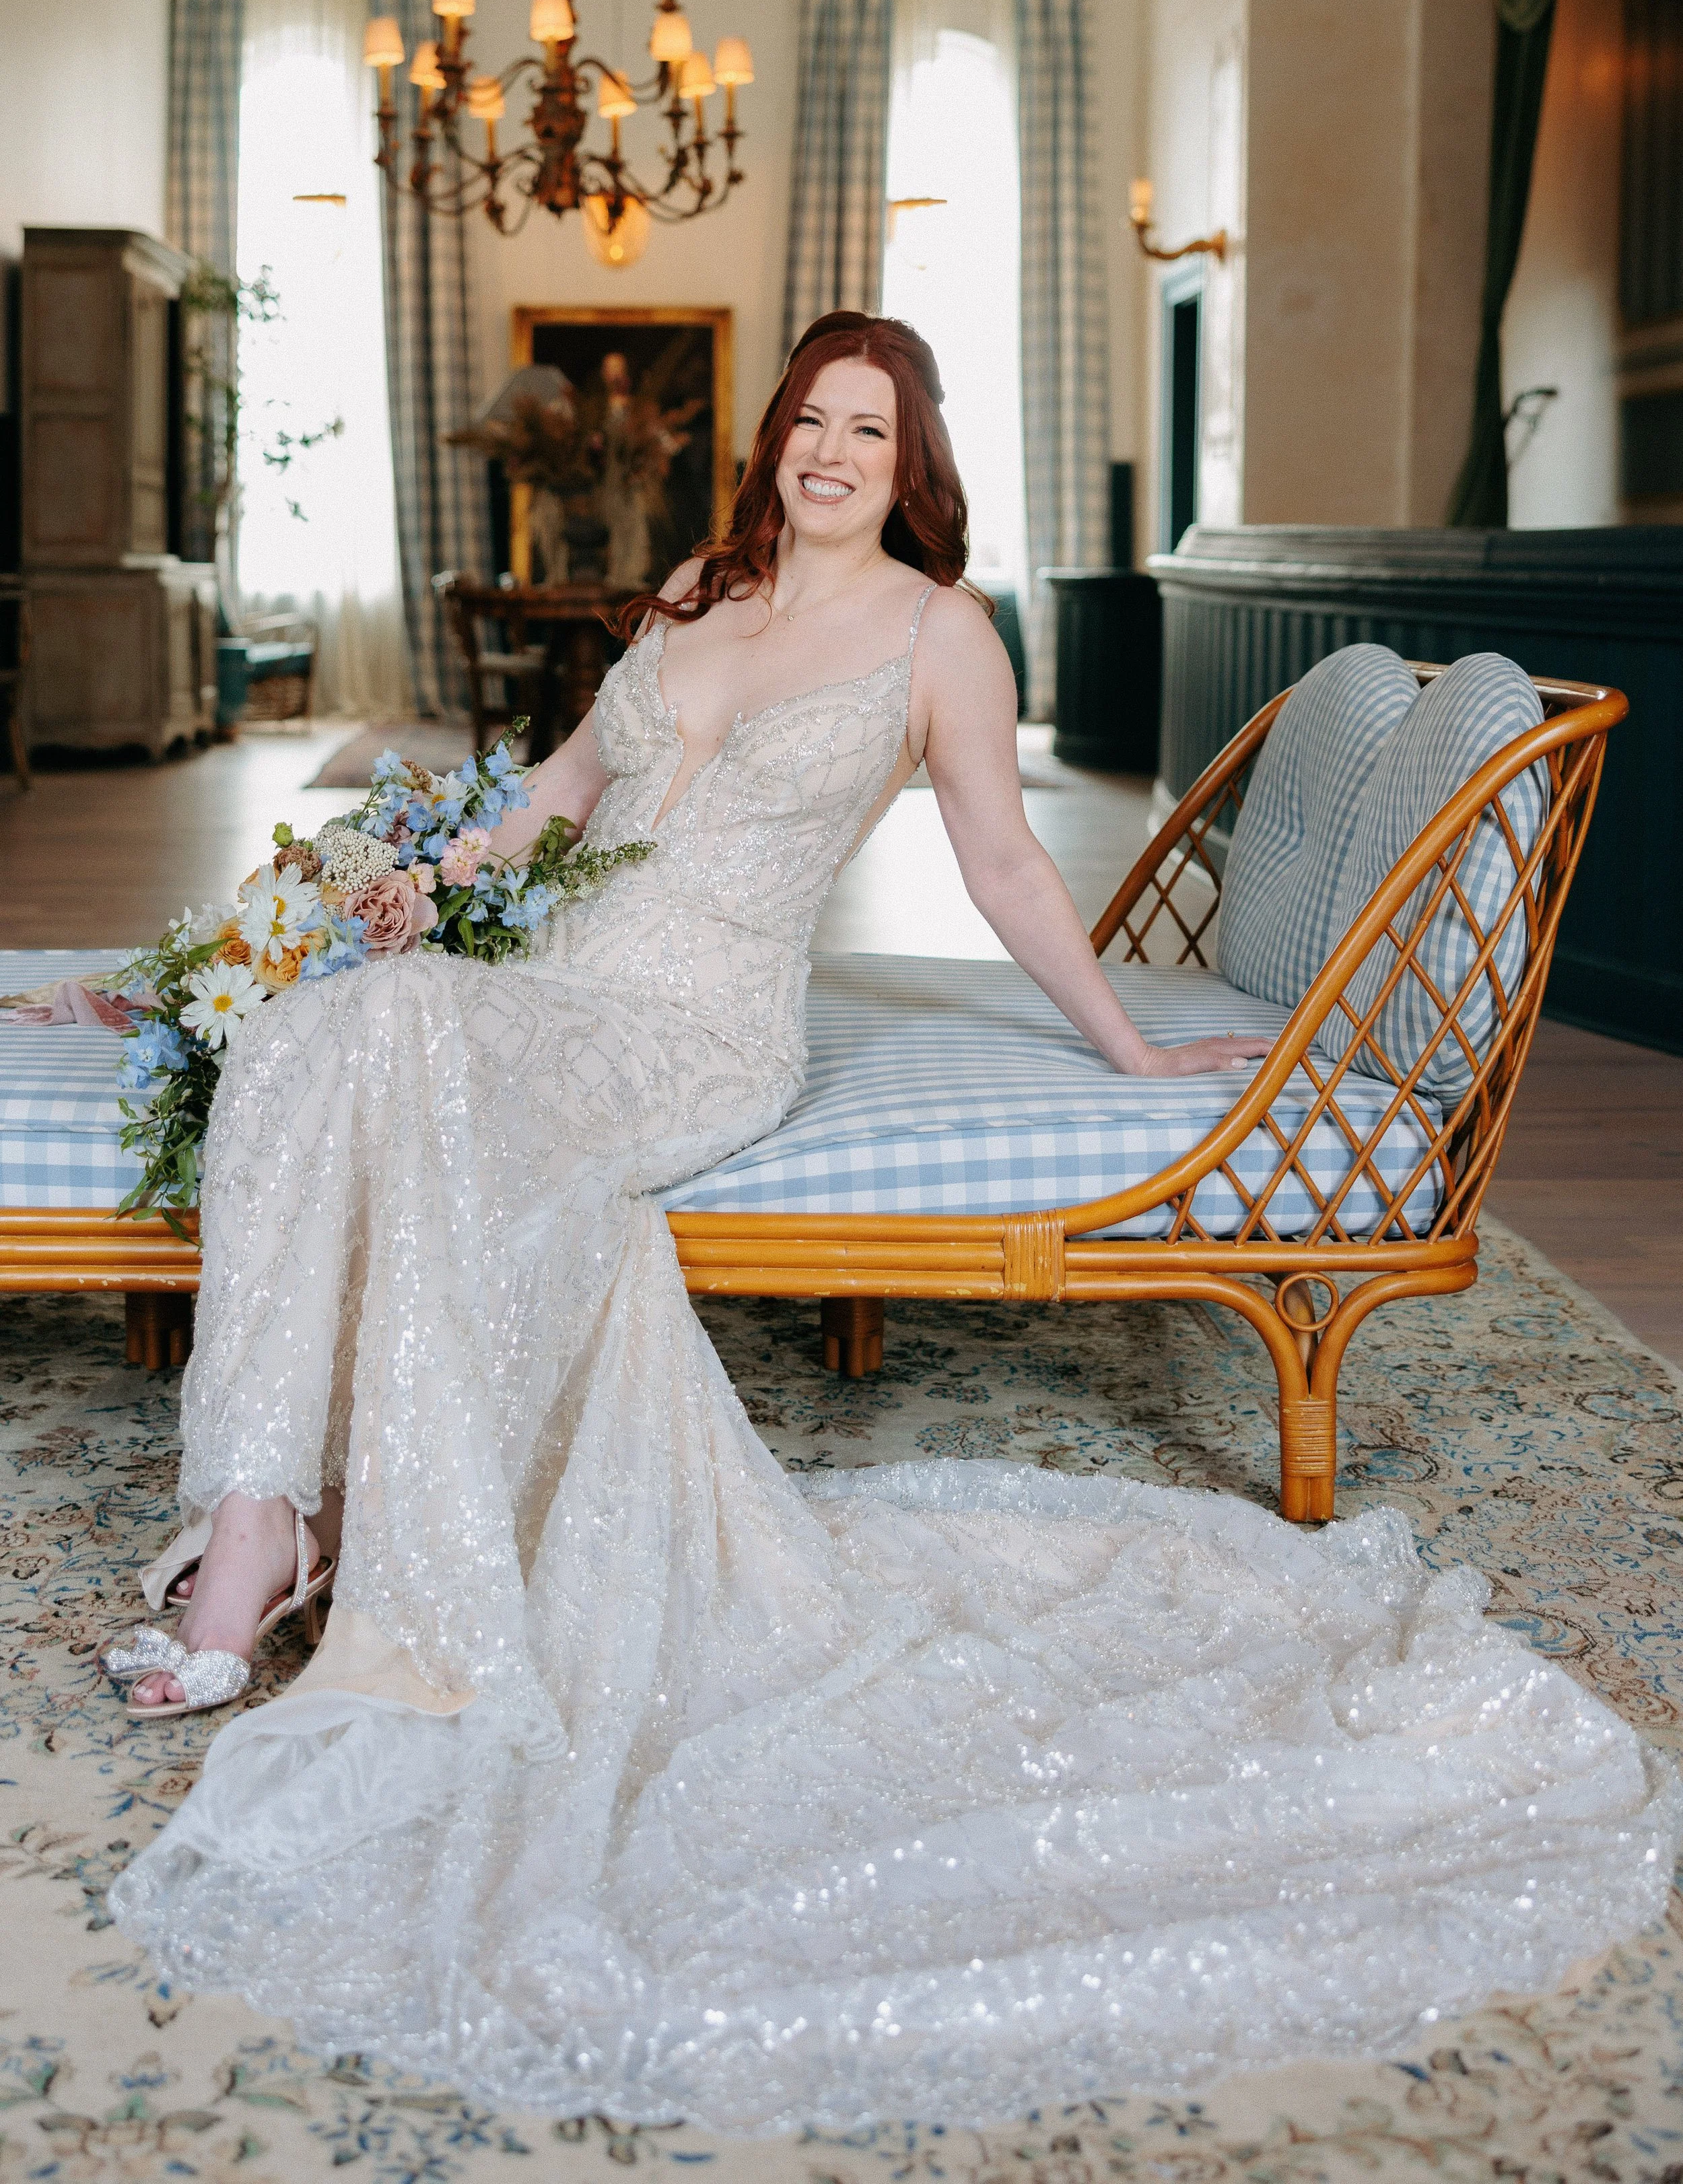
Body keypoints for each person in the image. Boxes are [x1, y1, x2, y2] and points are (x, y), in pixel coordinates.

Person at [105, 314, 1676, 2134]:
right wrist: (414, 881)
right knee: (322, 1028)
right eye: (810, 421)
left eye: (869, 428)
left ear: (909, 457)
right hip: (544, 971)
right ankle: (265, 1507)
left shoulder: (941, 631)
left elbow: (1006, 860)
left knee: (386, 1047)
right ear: (772, 440)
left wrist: (1130, 1041)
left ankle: (261, 1552)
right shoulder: (701, 581)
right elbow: (560, 795)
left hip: (693, 1022)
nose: (831, 453)